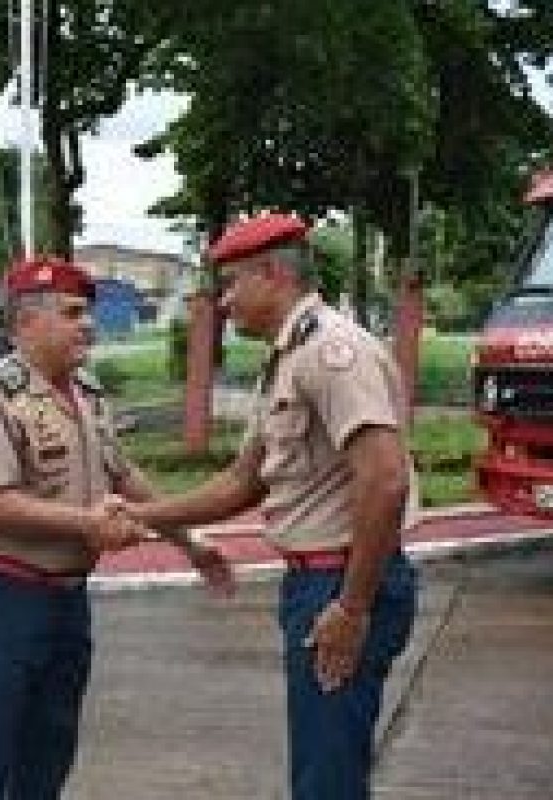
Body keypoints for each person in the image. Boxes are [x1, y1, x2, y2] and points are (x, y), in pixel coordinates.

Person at [113, 214, 422, 800]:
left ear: (273, 275)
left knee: (326, 779)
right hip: (319, 583)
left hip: (342, 582)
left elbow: (385, 479)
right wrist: (141, 517)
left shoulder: (331, 351)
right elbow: (241, 483)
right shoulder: (288, 357)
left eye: (232, 284)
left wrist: (352, 609)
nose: (225, 302)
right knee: (321, 765)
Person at [0, 256, 165, 800]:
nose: (87, 324)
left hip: (65, 602)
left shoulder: (85, 391)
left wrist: (185, 535)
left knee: (48, 757)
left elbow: (120, 470)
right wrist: (89, 524)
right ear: (26, 323)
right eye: (72, 312)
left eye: (87, 312)